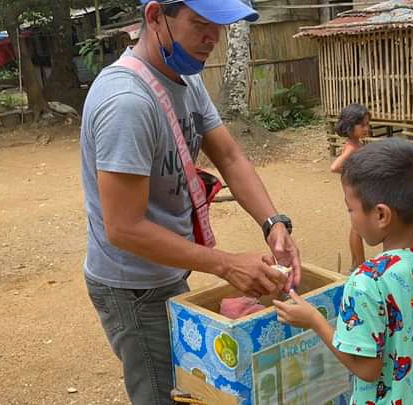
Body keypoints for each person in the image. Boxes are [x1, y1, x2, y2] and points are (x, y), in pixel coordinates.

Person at [80, 1, 301, 403]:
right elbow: (123, 227)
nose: (211, 39)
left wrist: (274, 223)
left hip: (165, 272)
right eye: (200, 23)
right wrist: (226, 265)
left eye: (218, 26)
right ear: (154, 17)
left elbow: (230, 156)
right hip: (132, 286)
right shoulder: (126, 102)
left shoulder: (184, 75)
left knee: (186, 385)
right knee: (161, 392)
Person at [273, 138, 413, 404]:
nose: (351, 216)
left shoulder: (367, 281)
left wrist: (314, 320)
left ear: (381, 215)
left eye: (351, 208)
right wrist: (412, 330)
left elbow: (367, 369)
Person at [330, 103, 370, 271]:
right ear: (349, 126)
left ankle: (356, 263)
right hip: (354, 194)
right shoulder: (352, 148)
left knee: (357, 227)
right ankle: (359, 264)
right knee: (357, 228)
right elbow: (334, 167)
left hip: (354, 193)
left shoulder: (354, 144)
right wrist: (353, 173)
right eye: (362, 125)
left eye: (367, 124)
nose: (366, 128)